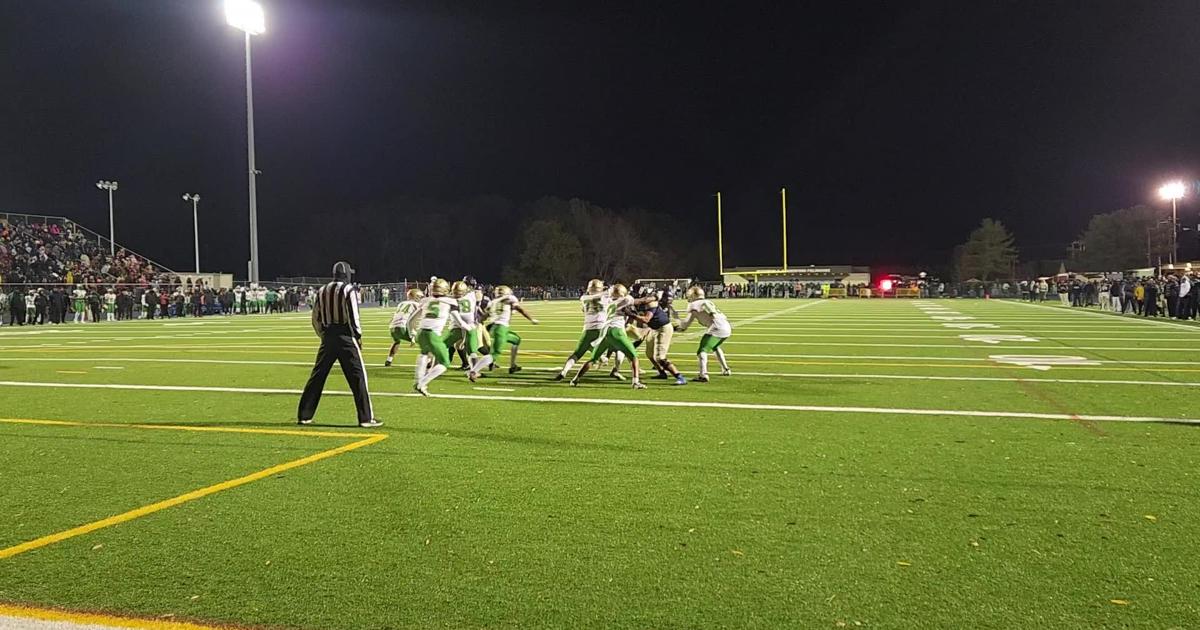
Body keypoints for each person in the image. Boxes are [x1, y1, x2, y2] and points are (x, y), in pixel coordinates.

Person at [297, 261, 382, 428]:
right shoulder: (348, 289)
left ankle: (304, 415)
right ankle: (365, 418)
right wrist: (357, 335)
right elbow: (353, 314)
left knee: (317, 376)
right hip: (345, 336)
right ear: (347, 274)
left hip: (328, 336)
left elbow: (315, 317)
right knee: (358, 377)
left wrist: (323, 334)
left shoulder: (322, 290)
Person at [568, 283, 646, 389]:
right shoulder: (624, 300)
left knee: (593, 359)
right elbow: (640, 301)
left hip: (604, 332)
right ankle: (635, 382)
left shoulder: (606, 300)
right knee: (634, 357)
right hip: (616, 331)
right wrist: (655, 297)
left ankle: (575, 379)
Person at [410, 277, 469, 395]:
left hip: (421, 332)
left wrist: (412, 333)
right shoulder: (451, 302)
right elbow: (460, 322)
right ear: (445, 289)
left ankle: (418, 381)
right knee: (444, 363)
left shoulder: (425, 300)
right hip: (433, 334)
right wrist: (469, 327)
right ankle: (421, 383)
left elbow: (411, 320)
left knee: (424, 354)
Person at [468, 285, 539, 378]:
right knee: (494, 354)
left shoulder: (492, 302)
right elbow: (519, 309)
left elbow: (484, 317)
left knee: (516, 340)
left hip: (495, 328)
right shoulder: (510, 298)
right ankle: (473, 371)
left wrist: (478, 323)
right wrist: (531, 319)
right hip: (500, 328)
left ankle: (513, 366)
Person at [676, 285, 732, 382]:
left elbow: (684, 325)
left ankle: (703, 374)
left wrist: (675, 318)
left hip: (716, 327)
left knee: (702, 350)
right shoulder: (707, 302)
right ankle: (726, 369)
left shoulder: (694, 305)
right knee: (715, 347)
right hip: (726, 327)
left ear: (692, 295)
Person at [555, 279, 607, 381]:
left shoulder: (583, 298)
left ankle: (564, 371)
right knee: (616, 347)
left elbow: (584, 309)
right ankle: (607, 361)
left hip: (588, 329)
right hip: (602, 329)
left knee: (577, 353)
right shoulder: (605, 297)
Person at [384, 288, 423, 367]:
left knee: (396, 342)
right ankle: (428, 363)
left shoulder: (401, 303)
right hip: (402, 327)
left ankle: (389, 360)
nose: (421, 298)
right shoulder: (416, 304)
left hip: (392, 327)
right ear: (416, 296)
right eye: (420, 297)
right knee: (425, 342)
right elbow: (416, 319)